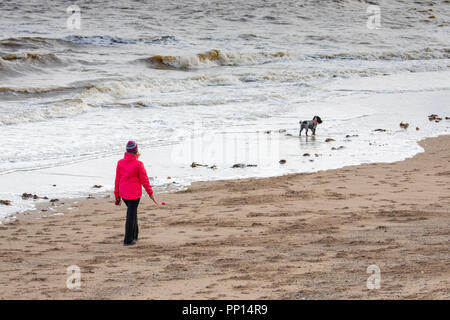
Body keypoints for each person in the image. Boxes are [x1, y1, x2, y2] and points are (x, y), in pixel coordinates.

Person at [114, 140, 158, 246]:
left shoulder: (120, 163)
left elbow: (117, 180)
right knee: (131, 214)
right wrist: (150, 193)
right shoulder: (138, 164)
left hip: (123, 193)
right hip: (134, 195)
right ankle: (128, 240)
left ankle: (135, 235)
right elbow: (145, 180)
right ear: (136, 151)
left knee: (132, 213)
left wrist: (117, 195)